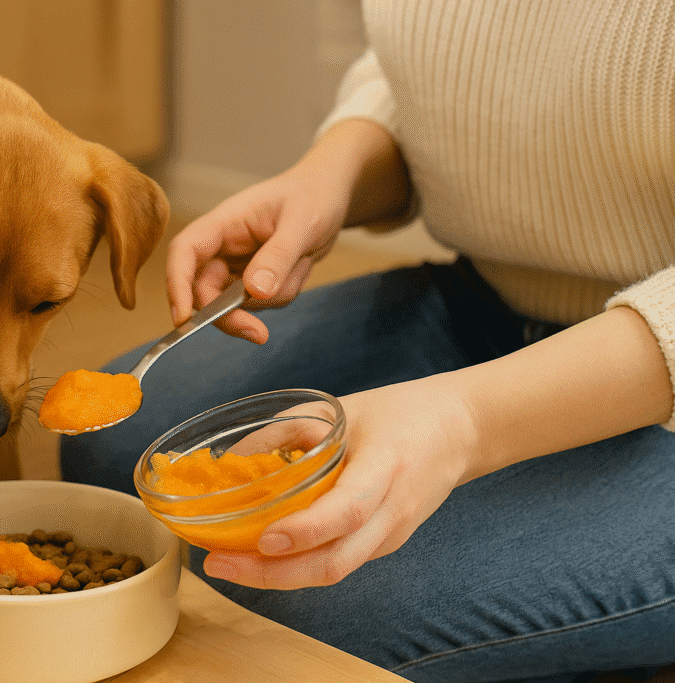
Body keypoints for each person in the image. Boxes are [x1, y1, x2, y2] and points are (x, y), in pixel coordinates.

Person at [60, 2, 675, 681]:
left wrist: (466, 419)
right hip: (485, 302)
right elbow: (431, 69)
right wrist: (330, 176)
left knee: (310, 605)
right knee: (112, 452)